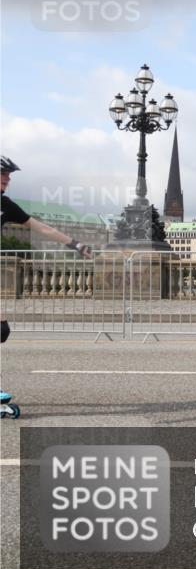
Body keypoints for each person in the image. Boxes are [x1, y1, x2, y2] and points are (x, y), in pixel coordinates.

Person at [1, 155, 92, 413]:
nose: (8, 179)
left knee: (1, 331)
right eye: (3, 174)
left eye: (8, 175)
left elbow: (42, 228)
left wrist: (75, 244)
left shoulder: (5, 204)